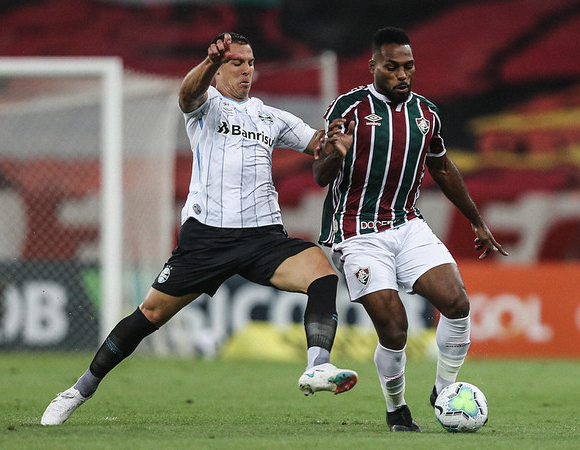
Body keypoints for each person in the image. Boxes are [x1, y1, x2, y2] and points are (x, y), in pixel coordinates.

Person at [40, 32, 358, 426]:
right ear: (220, 66)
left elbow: (319, 145)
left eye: (251, 62)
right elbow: (186, 96)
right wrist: (207, 64)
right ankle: (79, 390)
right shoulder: (206, 106)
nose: (246, 70)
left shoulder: (270, 117)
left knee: (322, 273)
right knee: (149, 314)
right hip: (207, 238)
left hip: (263, 237)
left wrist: (339, 139)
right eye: (236, 62)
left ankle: (317, 366)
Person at [313, 27, 508, 432]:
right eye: (392, 67)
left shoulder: (426, 114)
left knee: (456, 302)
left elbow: (441, 167)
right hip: (356, 231)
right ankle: (396, 408)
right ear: (373, 67)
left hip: (406, 223)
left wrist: (476, 219)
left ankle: (444, 392)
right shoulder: (348, 108)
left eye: (409, 67)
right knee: (395, 325)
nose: (402, 75)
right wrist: (337, 153)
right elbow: (320, 175)